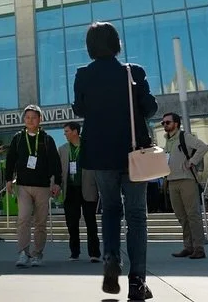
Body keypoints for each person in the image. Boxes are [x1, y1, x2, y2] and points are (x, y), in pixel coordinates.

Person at [73, 22, 157, 301]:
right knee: (136, 215)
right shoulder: (133, 72)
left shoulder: (83, 76)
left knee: (109, 209)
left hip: (99, 154)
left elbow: (81, 109)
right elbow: (150, 108)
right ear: (116, 43)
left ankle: (111, 257)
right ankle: (137, 282)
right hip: (133, 153)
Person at [4, 105, 62, 268]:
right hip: (23, 186)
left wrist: (57, 182)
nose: (30, 120)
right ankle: (23, 253)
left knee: (40, 222)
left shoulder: (46, 139)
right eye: (27, 117)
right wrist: (8, 179)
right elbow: (10, 160)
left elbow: (55, 162)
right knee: (23, 219)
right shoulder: (18, 138)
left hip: (43, 186)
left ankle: (38, 254)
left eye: (34, 117)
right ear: (24, 120)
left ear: (40, 119)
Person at [161, 112, 208, 261]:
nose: (164, 125)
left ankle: (199, 248)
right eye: (163, 123)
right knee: (181, 216)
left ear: (176, 123)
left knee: (192, 215)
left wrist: (192, 161)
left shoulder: (184, 137)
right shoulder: (167, 141)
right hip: (171, 181)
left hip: (186, 180)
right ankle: (188, 247)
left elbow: (203, 147)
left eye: (167, 122)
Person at [59, 122, 100, 263]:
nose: (65, 134)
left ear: (75, 132)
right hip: (70, 190)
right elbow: (58, 171)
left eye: (67, 131)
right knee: (72, 223)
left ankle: (94, 253)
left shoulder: (89, 147)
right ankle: (74, 252)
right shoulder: (63, 149)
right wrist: (55, 185)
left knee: (91, 222)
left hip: (88, 187)